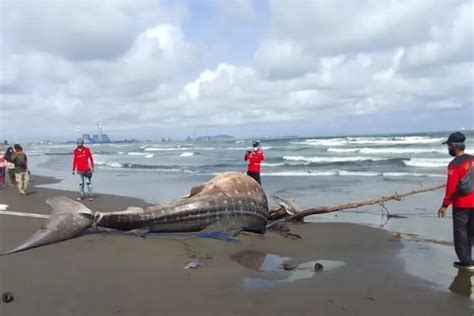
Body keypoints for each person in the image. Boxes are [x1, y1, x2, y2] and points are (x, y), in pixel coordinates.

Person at [438, 131, 474, 269]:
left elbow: (451, 188)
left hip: (461, 203)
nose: (448, 149)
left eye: (449, 146)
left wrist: (444, 205)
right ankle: (469, 258)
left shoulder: (454, 164)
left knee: (460, 233)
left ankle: (466, 262)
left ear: (454, 146)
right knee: (471, 231)